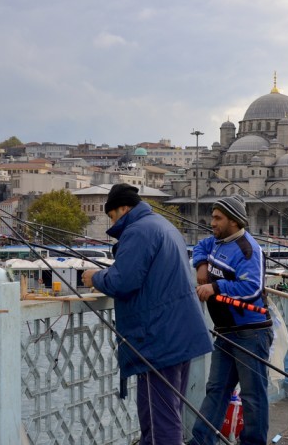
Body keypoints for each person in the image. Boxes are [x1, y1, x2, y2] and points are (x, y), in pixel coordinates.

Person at [81, 183, 213, 445]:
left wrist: (95, 277)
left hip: (159, 339)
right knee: (166, 411)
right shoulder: (161, 225)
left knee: (160, 419)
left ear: (123, 208)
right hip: (178, 333)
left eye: (112, 216)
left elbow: (123, 280)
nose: (112, 221)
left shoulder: (139, 231)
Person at [189, 195, 273, 445]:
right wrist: (201, 264)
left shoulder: (248, 250)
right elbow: (201, 246)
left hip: (251, 332)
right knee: (216, 389)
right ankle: (201, 440)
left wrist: (216, 288)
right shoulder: (216, 241)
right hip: (225, 331)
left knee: (253, 395)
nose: (212, 222)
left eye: (218, 218)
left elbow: (252, 288)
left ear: (234, 221)